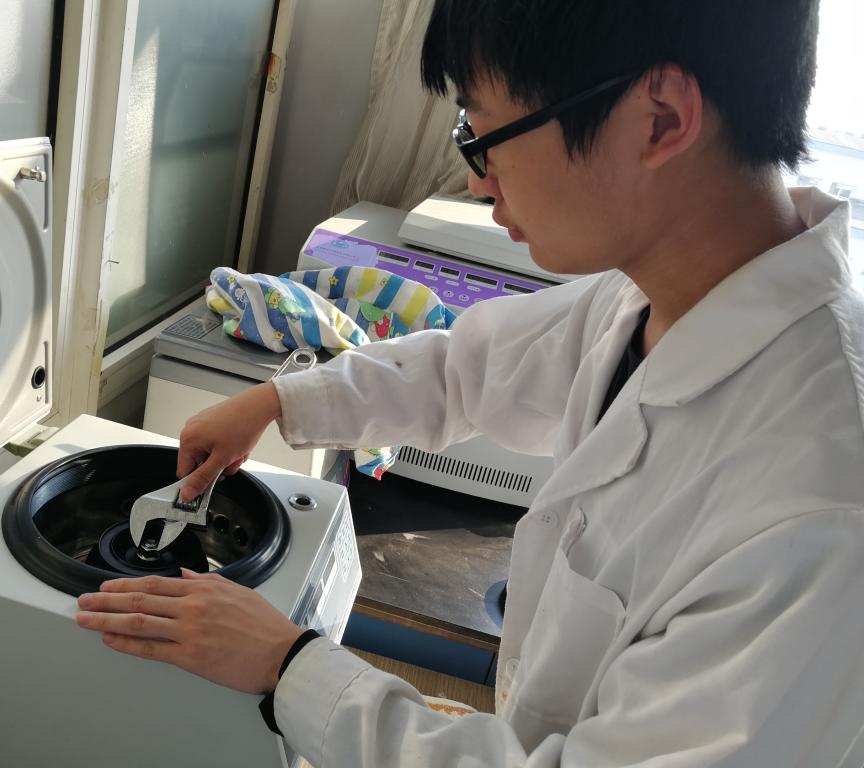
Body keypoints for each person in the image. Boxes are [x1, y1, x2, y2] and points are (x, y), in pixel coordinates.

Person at [74, 1, 864, 765]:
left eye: (485, 134)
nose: (480, 183)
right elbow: (466, 369)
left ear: (659, 120)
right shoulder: (648, 293)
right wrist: (279, 400)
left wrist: (290, 668)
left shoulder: (819, 512)